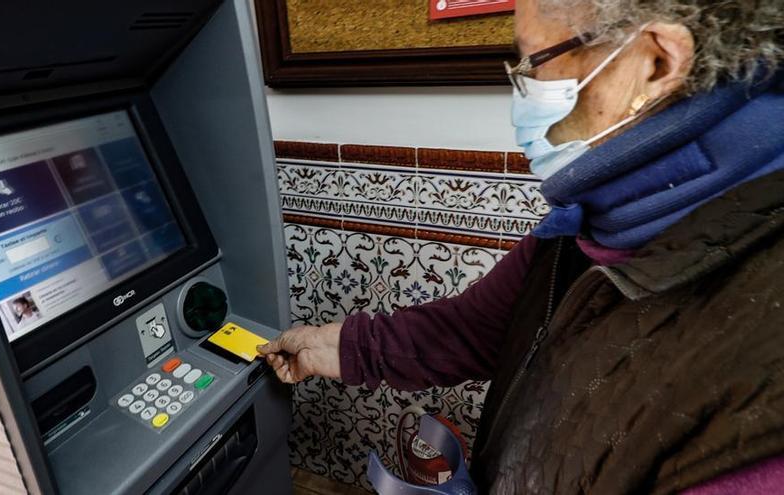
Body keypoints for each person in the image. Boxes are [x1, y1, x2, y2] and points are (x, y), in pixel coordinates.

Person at [259, 0, 784, 492]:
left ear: (655, 61)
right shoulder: (592, 222)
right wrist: (333, 347)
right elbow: (471, 331)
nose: (522, 87)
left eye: (535, 61)